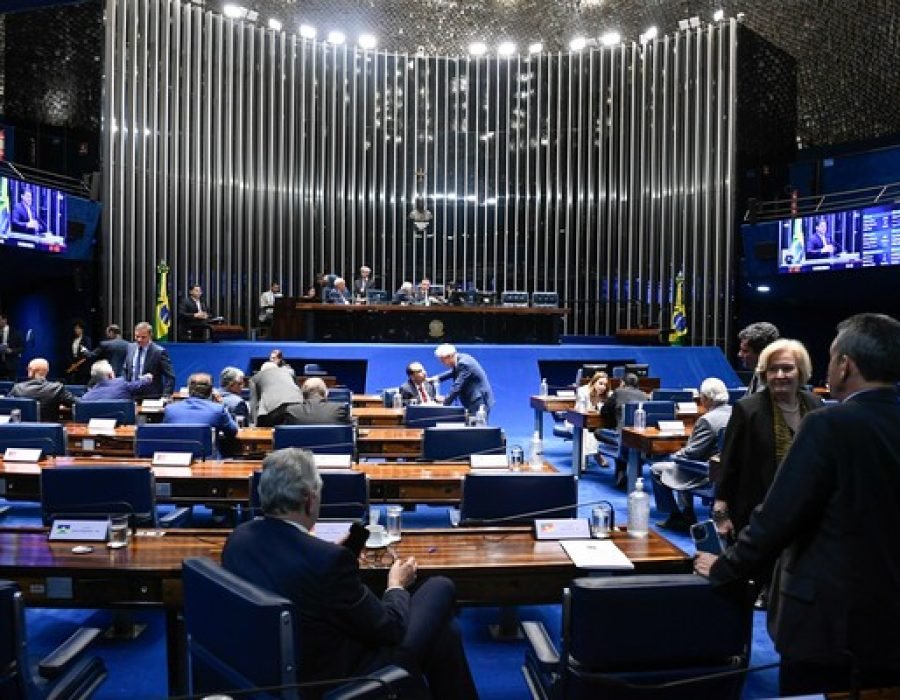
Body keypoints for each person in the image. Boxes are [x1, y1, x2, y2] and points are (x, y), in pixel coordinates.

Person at [695, 313, 900, 696]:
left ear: (845, 365)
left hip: (831, 625)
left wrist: (726, 567)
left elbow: (778, 518)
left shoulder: (828, 424)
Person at [222, 448, 479, 698]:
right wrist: (396, 585)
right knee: (440, 586)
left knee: (445, 634)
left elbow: (296, 574)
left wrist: (335, 555)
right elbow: (390, 627)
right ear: (309, 500)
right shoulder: (325, 561)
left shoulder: (238, 539)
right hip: (336, 678)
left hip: (269, 669)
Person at [714, 338, 823, 540]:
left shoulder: (815, 405)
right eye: (773, 369)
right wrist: (721, 511)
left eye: (787, 368)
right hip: (758, 511)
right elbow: (730, 462)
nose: (780, 375)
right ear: (764, 374)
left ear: (801, 372)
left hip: (807, 510)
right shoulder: (747, 409)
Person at [650, 377, 732, 531]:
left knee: (658, 468)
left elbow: (691, 454)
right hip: (731, 472)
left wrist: (675, 455)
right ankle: (686, 513)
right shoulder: (736, 413)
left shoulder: (707, 420)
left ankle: (677, 516)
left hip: (707, 474)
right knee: (680, 465)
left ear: (706, 398)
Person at [433, 343, 494, 419]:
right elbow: (454, 372)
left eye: (442, 361)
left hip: (478, 400)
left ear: (449, 356)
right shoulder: (460, 358)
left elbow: (457, 387)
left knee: (477, 426)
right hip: (475, 399)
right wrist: (437, 378)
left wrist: (445, 404)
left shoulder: (464, 364)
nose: (442, 364)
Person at [9, 358, 75, 422]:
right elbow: (78, 404)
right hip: (49, 431)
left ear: (30, 371)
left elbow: (6, 407)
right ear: (47, 371)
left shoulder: (17, 388)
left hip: (21, 430)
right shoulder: (57, 388)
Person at [123, 321, 175, 398]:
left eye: (143, 337)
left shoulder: (158, 352)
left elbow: (170, 377)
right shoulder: (130, 347)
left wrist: (165, 396)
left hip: (150, 397)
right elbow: (125, 369)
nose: (139, 340)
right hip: (130, 395)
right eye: (137, 336)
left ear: (150, 336)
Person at [249, 360, 305, 427]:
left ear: (261, 371)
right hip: (298, 403)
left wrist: (253, 424)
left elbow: (254, 402)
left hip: (275, 408)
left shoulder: (255, 378)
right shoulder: (289, 373)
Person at [284, 377, 351, 425]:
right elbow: (351, 432)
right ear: (326, 394)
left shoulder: (292, 411)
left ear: (303, 394)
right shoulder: (339, 409)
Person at [737, 321, 780, 394]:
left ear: (763, 353)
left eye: (745, 351)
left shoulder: (775, 383)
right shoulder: (758, 373)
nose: (739, 354)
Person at [80, 359, 152, 401]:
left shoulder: (86, 397)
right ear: (110, 375)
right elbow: (137, 385)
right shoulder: (121, 384)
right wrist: (147, 378)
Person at [64, 320, 92, 385]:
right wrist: (72, 364)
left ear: (82, 329)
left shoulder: (87, 339)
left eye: (78, 328)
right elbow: (68, 352)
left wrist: (76, 365)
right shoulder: (71, 339)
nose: (76, 330)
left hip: (83, 367)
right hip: (73, 364)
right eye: (75, 328)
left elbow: (87, 355)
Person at [0, 312, 24, 380]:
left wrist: (12, 351)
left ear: (4, 320)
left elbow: (22, 348)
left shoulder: (15, 332)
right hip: (0, 364)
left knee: (12, 386)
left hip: (11, 365)